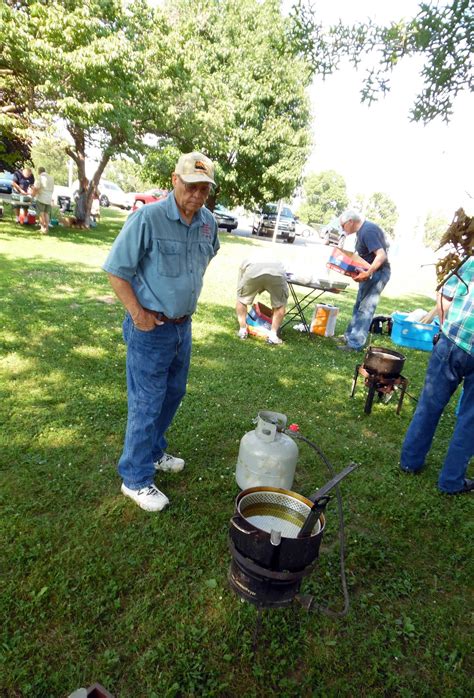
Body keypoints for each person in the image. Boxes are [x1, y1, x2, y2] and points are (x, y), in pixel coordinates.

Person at [103, 151, 219, 512]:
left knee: (174, 393)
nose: (197, 194)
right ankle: (135, 479)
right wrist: (138, 314)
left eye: (204, 188)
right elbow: (116, 270)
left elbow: (206, 256)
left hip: (183, 328)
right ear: (174, 180)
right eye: (191, 185)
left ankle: (152, 453)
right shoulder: (148, 218)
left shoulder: (208, 223)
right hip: (150, 328)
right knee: (146, 402)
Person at [400, 257, 473, 494]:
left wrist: (444, 328)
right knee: (470, 421)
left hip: (452, 342)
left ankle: (410, 462)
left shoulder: (471, 261)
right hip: (457, 343)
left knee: (429, 405)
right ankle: (451, 482)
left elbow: (445, 297)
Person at [336, 209, 391, 351]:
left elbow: (381, 255)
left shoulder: (368, 231)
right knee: (358, 306)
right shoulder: (363, 231)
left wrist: (368, 272)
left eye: (343, 226)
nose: (342, 229)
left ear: (350, 222)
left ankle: (355, 344)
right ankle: (349, 336)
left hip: (378, 274)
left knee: (365, 309)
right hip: (369, 273)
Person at [236, 257, 288, 345]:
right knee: (280, 305)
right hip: (276, 274)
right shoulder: (278, 261)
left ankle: (242, 330)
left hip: (253, 271)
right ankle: (273, 336)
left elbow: (240, 284)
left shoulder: (248, 259)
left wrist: (241, 294)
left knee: (242, 300)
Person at [31, 167, 54, 234]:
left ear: (39, 171)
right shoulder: (51, 178)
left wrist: (32, 195)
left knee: (41, 213)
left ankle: (42, 228)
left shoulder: (40, 177)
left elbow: (36, 188)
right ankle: (46, 228)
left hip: (41, 198)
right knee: (46, 214)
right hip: (49, 198)